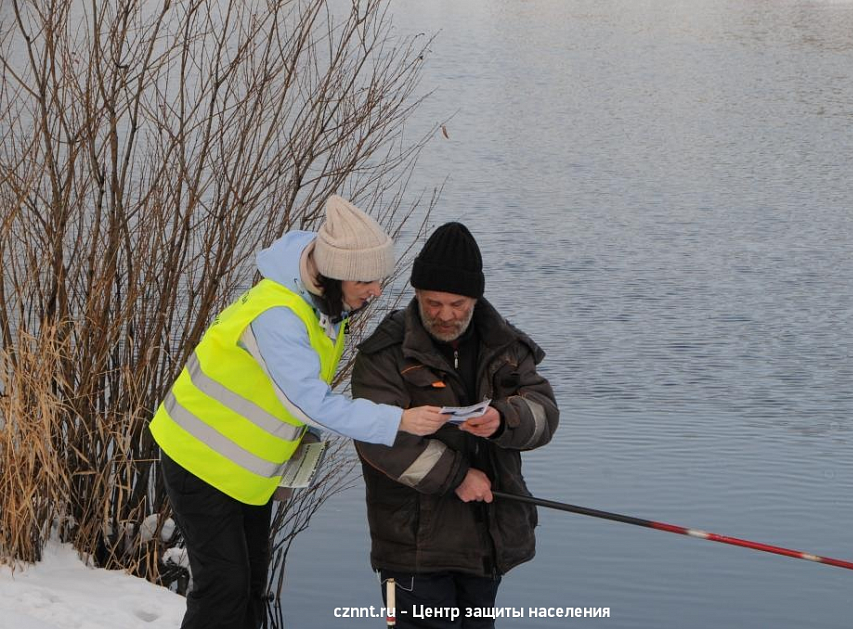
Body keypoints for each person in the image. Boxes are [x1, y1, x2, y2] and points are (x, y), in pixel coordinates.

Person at [149, 195, 449, 629]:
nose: (377, 291)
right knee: (223, 586)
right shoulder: (279, 315)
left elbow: (285, 402)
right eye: (367, 280)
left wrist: (293, 456)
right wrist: (396, 420)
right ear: (335, 273)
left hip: (245, 471)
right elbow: (307, 400)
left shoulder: (322, 304)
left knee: (251, 584)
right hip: (198, 460)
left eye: (379, 278)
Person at [351, 222, 559, 628]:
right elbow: (377, 437)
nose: (445, 315)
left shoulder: (509, 348)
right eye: (433, 303)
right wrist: (457, 476)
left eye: (458, 304)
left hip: (488, 543)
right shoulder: (385, 353)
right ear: (416, 294)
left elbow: (544, 415)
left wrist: (503, 419)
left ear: (476, 298)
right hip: (412, 550)